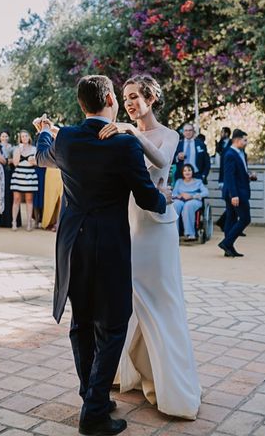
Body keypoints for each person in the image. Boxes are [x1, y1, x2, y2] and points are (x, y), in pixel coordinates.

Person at [35, 75, 170, 436]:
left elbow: (41, 155)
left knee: (82, 323)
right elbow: (146, 197)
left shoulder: (66, 139)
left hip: (73, 245)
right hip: (108, 246)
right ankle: (93, 412)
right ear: (110, 98)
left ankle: (91, 394)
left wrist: (45, 130)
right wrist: (165, 198)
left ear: (82, 104)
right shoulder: (124, 144)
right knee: (111, 326)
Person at [98, 74, 201, 420]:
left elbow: (159, 161)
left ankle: (172, 388)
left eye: (134, 97)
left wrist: (131, 132)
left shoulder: (167, 135)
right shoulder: (121, 132)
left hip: (157, 229)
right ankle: (130, 371)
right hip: (130, 223)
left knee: (160, 301)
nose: (128, 103)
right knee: (130, 300)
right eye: (124, 97)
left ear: (151, 99)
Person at [218, 129, 252, 257]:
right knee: (245, 219)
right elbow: (229, 176)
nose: (246, 142)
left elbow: (238, 173)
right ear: (237, 140)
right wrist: (234, 195)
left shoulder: (240, 153)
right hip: (235, 193)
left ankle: (229, 248)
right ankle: (227, 243)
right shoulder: (230, 154)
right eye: (244, 140)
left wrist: (249, 176)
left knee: (231, 219)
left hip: (238, 190)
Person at [10, 130, 38, 231]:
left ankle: (29, 222)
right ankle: (14, 222)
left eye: (26, 136)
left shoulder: (34, 149)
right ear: (20, 139)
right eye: (22, 136)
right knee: (16, 199)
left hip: (30, 175)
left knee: (29, 200)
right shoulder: (17, 149)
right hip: (18, 174)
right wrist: (20, 151)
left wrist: (33, 162)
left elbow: (37, 163)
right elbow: (15, 163)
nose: (24, 138)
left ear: (29, 137)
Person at [173, 163, 209, 241]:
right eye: (185, 170)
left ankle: (190, 234)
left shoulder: (198, 181)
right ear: (182, 173)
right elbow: (174, 193)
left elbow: (206, 192)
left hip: (194, 200)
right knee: (175, 205)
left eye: (189, 170)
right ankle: (174, 233)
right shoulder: (179, 181)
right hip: (181, 199)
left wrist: (192, 196)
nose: (187, 172)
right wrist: (180, 195)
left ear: (192, 171)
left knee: (188, 206)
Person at [0, 130, 16, 228]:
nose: (4, 138)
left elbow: (15, 160)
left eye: (6, 136)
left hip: (9, 173)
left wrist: (7, 161)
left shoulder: (12, 147)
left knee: (9, 194)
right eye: (2, 136)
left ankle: (9, 220)